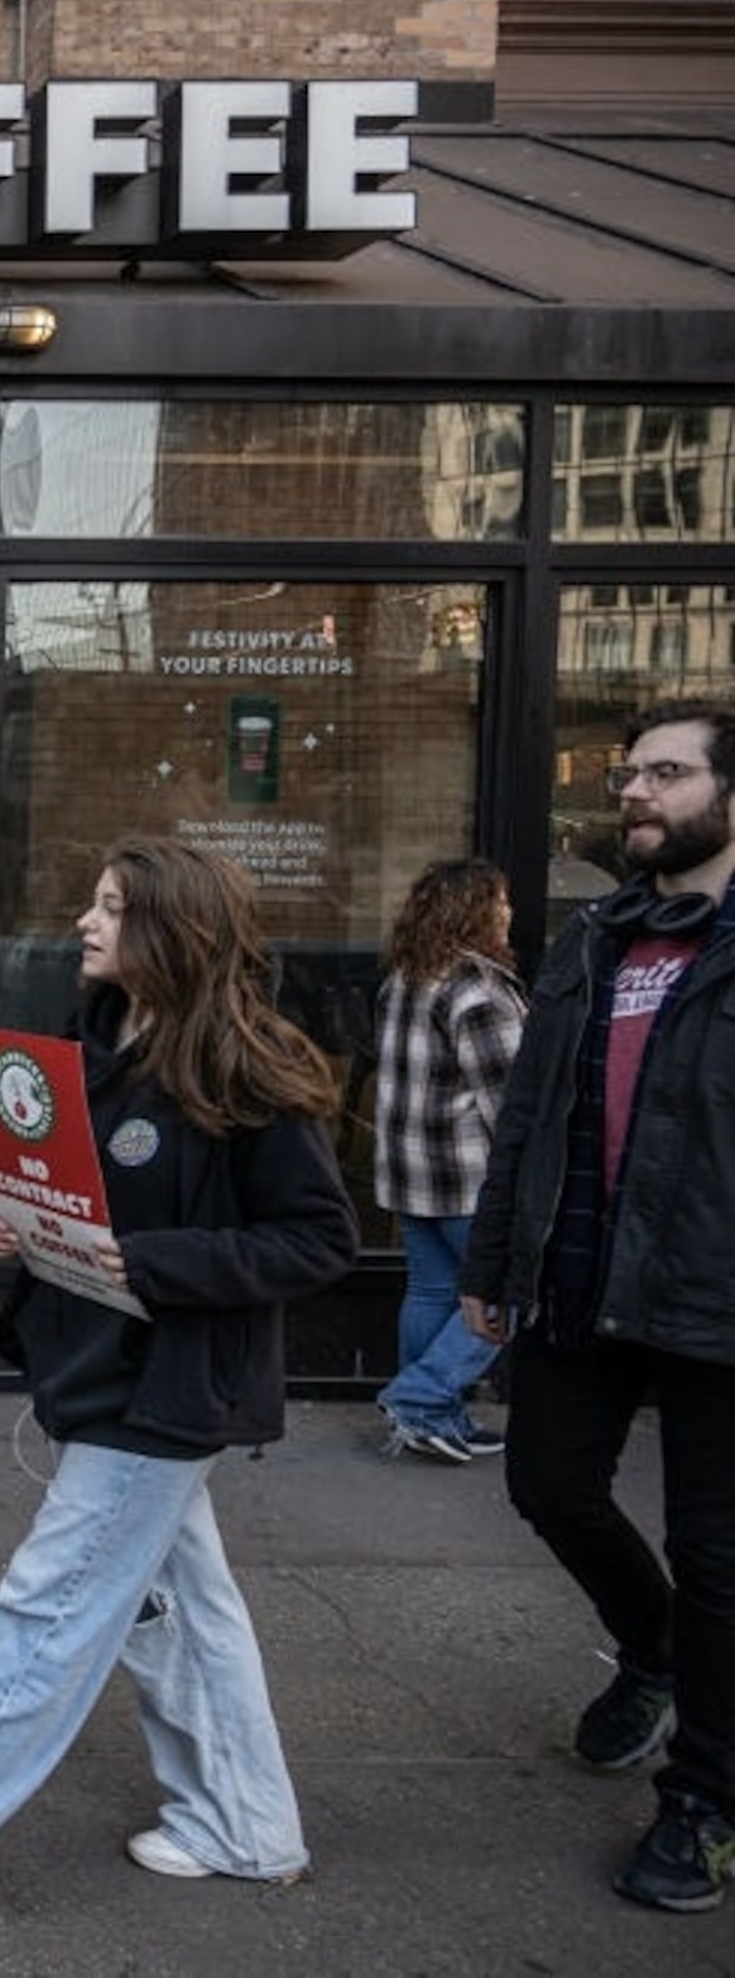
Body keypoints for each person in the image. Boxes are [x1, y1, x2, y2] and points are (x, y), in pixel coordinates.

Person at [0, 836, 356, 1904]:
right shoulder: (94, 1041)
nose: (86, 923)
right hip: (101, 1365)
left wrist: (147, 1261)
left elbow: (316, 1239)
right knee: (185, 1615)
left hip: (169, 1383)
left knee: (49, 1602)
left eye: (110, 907)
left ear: (170, 927)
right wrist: (24, 1224)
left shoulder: (246, 1063)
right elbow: (86, 1195)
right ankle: (246, 1827)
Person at [462, 698, 735, 1914]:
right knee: (548, 1484)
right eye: (631, 774)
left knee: (719, 1556)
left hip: (714, 1300)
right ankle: (657, 1646)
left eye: (667, 775)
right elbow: (527, 1116)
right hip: (579, 1278)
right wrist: (488, 1264)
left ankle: (704, 1805)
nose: (635, 792)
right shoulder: (595, 941)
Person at [370, 856, 525, 1464]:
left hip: (410, 1172)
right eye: (499, 900)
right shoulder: (478, 990)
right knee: (507, 1296)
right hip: (470, 1179)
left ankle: (432, 1417)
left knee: (433, 1292)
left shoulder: (404, 978)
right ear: (472, 912)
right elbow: (513, 1106)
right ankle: (423, 1400)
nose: (508, 912)